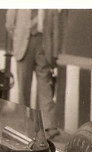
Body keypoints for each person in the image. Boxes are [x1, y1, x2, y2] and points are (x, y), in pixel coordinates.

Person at [5, 9, 66, 139]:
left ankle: (50, 126)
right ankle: (25, 124)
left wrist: (54, 54)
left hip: (44, 47)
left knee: (45, 85)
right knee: (24, 88)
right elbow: (10, 24)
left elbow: (55, 29)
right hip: (23, 46)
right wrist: (18, 39)